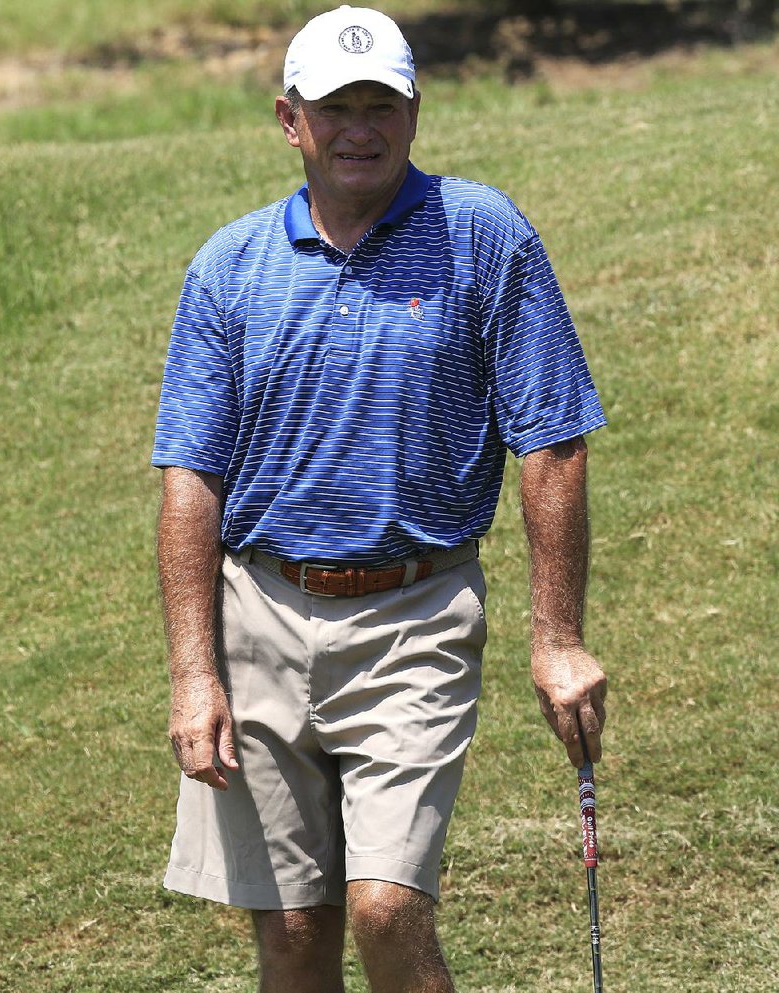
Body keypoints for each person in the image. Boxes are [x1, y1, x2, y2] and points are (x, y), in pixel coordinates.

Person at [153, 6, 608, 991]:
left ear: (414, 113)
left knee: (384, 909)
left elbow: (551, 442)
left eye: (380, 105)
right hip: (259, 619)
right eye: (333, 107)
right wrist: (195, 675)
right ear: (288, 120)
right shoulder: (229, 267)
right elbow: (190, 475)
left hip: (414, 614)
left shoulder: (482, 237)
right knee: (292, 933)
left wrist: (556, 637)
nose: (358, 127)